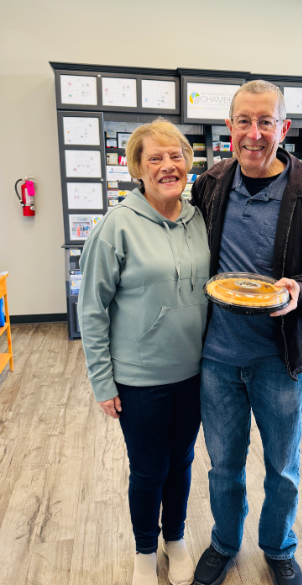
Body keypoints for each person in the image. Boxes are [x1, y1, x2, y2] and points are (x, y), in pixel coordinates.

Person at [191, 81, 302, 585]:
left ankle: (279, 548)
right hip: (217, 358)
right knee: (223, 466)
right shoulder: (211, 185)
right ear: (230, 128)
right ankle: (223, 543)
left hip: (282, 360)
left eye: (266, 122)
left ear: (283, 129)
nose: (255, 133)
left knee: (282, 466)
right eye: (245, 121)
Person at [78, 119, 210, 585]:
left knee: (183, 461)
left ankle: (175, 540)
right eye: (154, 158)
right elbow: (91, 308)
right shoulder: (117, 226)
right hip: (139, 378)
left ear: (187, 163)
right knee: (149, 469)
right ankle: (143, 551)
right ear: (137, 166)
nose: (167, 165)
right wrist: (102, 380)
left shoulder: (198, 219)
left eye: (175, 155)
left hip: (193, 372)